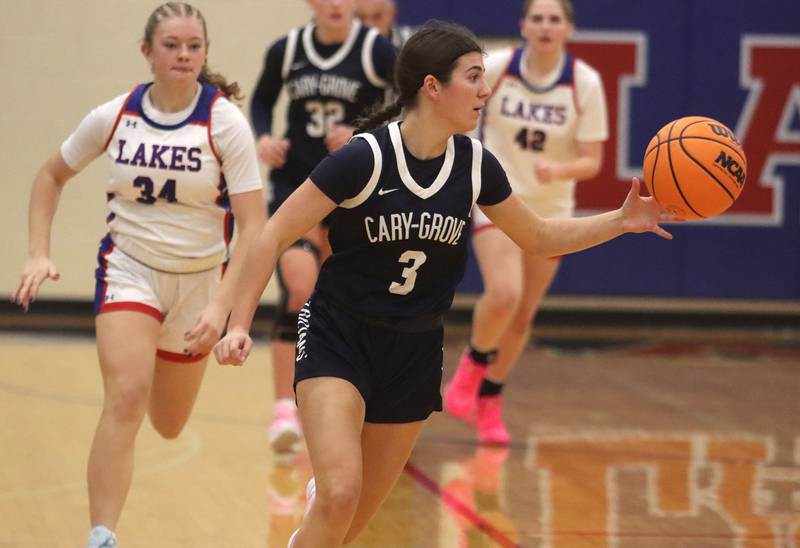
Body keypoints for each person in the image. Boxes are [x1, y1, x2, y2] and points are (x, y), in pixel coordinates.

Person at [214, 20, 673, 547]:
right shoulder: (364, 157)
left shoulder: (476, 166)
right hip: (338, 336)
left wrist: (620, 221)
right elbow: (270, 235)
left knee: (350, 523)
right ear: (433, 86)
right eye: (474, 77)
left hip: (413, 349)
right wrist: (240, 323)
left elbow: (540, 237)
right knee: (341, 494)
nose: (486, 89)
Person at [10, 3, 265, 547]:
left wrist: (224, 307)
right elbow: (50, 175)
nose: (184, 55)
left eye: (194, 46)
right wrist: (38, 252)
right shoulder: (117, 114)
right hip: (129, 270)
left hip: (200, 285)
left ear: (204, 54)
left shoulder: (224, 123)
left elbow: (254, 228)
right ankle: (101, 536)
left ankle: (167, 357)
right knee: (126, 395)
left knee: (169, 424)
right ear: (147, 52)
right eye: (171, 44)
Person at [443, 0, 609, 445]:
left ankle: (490, 400)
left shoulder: (584, 82)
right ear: (523, 26)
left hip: (552, 207)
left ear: (569, 29)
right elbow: (458, 107)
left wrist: (561, 171)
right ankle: (471, 366)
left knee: (522, 315)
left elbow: (593, 161)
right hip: (499, 197)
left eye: (555, 19)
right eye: (537, 18)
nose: (545, 26)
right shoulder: (498, 67)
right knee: (503, 294)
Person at [250, 0, 396, 454]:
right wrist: (264, 137)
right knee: (298, 289)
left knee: (340, 304)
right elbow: (260, 101)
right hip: (297, 185)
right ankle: (282, 409)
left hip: (354, 190)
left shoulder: (376, 51)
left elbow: (410, 106)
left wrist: (364, 130)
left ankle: (333, 406)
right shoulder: (287, 49)